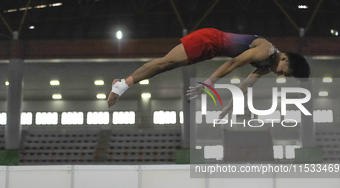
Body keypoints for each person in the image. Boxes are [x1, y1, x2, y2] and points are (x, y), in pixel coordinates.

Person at [108, 27, 310, 116]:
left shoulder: (267, 65)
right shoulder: (265, 50)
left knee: (166, 65)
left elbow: (245, 85)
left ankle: (122, 83)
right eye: (284, 71)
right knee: (164, 63)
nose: (280, 75)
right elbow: (233, 64)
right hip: (209, 40)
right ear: (284, 58)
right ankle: (122, 85)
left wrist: (231, 105)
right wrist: (209, 83)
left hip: (211, 50)